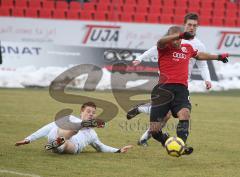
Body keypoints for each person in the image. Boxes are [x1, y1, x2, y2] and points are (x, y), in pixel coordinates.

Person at [128, 25, 228, 155]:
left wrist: (218, 57)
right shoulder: (164, 47)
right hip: (163, 90)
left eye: (179, 39)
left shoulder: (188, 48)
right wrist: (179, 35)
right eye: (174, 38)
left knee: (185, 113)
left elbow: (199, 55)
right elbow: (160, 41)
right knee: (154, 131)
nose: (177, 41)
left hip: (181, 90)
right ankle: (166, 139)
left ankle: (182, 144)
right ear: (170, 38)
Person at [15, 102, 133, 154]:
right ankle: (57, 143)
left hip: (71, 146)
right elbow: (47, 127)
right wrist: (29, 139)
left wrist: (118, 150)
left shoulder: (93, 135)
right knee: (61, 128)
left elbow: (101, 147)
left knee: (69, 138)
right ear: (82, 111)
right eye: (88, 111)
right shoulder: (70, 118)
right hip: (57, 135)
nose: (91, 114)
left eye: (94, 112)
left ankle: (58, 144)